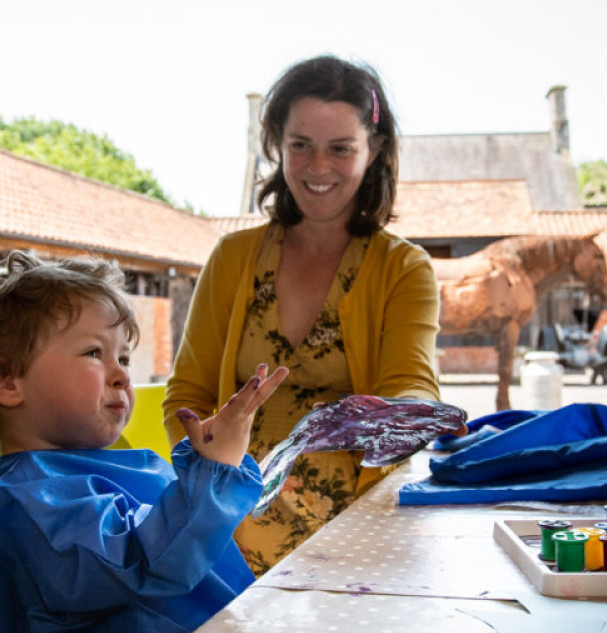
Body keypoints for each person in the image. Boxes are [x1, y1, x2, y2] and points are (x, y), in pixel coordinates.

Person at [163, 54, 445, 575]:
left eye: (340, 149)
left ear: (374, 149)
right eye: (300, 146)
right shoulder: (232, 258)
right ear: (277, 144)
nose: (318, 167)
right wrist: (209, 478)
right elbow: (186, 396)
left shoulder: (404, 269)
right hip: (223, 536)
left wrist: (405, 418)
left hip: (354, 538)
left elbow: (410, 396)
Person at [0, 250, 287, 633]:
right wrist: (213, 469)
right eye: (93, 353)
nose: (122, 376)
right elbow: (144, 563)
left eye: (123, 357)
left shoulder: (83, 469)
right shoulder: (30, 500)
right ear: (4, 380)